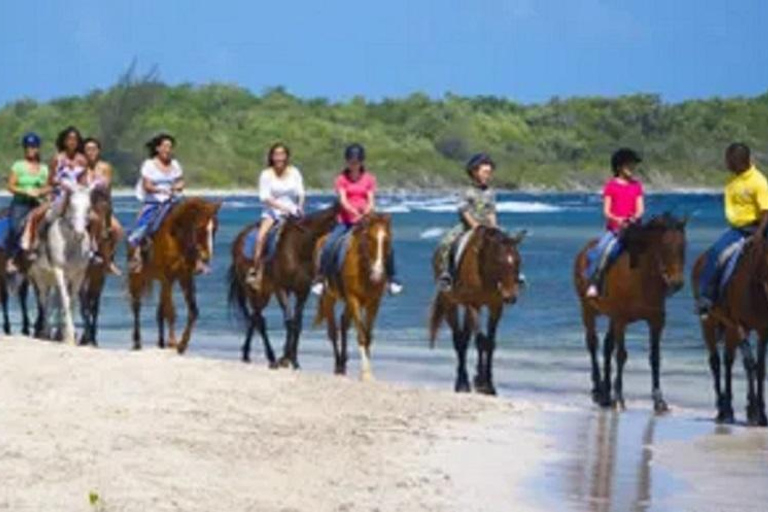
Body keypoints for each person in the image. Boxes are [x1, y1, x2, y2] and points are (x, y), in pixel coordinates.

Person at [312, 143, 402, 296]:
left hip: (366, 220)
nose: (354, 164)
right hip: (346, 221)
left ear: (361, 161)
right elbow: (343, 200)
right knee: (329, 244)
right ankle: (321, 278)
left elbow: (371, 199)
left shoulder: (369, 179)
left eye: (357, 161)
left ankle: (392, 278)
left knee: (385, 244)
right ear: (347, 161)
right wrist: (353, 212)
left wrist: (367, 211)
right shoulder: (341, 179)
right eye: (351, 161)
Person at [697, 143, 768, 317]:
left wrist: (759, 233)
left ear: (740, 161)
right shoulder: (731, 180)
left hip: (760, 227)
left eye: (729, 161)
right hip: (738, 230)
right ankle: (706, 298)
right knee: (715, 253)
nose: (727, 165)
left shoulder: (758, 182)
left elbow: (766, 210)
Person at [585, 148, 645, 298]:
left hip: (634, 228)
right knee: (601, 250)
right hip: (616, 230)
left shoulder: (636, 186)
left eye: (633, 165)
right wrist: (619, 220)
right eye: (628, 165)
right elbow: (606, 211)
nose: (632, 168)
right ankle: (594, 282)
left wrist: (633, 218)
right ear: (619, 167)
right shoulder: (611, 186)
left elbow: (640, 209)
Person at [20, 126, 87, 259]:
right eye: (69, 139)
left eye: (75, 139)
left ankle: (93, 249)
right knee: (36, 214)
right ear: (64, 141)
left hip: (77, 196)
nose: (72, 142)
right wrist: (61, 184)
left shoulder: (82, 160)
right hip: (58, 195)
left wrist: (78, 188)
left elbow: (83, 182)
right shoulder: (57, 158)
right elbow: (50, 181)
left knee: (93, 218)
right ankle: (32, 243)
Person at [436, 153, 499, 291]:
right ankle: (448, 273)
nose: (487, 175)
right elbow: (464, 211)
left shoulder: (490, 192)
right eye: (485, 172)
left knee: (507, 243)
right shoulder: (466, 191)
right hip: (468, 227)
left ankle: (513, 275)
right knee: (447, 242)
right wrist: (475, 226)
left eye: (489, 172)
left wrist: (494, 227)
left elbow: (491, 211)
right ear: (474, 172)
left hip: (487, 227)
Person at [247, 143, 305, 289]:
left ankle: (315, 274)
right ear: (271, 157)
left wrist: (300, 207)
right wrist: (282, 208)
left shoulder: (294, 172)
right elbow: (265, 197)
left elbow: (301, 192)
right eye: (276, 154)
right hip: (272, 213)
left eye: (282, 154)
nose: (279, 157)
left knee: (311, 236)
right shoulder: (266, 174)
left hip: (293, 212)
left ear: (287, 156)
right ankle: (256, 271)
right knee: (261, 237)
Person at [127, 133, 185, 273]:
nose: (168, 149)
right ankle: (137, 255)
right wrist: (161, 190)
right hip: (155, 203)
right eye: (165, 146)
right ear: (158, 148)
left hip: (172, 201)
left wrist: (177, 187)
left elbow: (181, 181)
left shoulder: (175, 164)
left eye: (170, 147)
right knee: (144, 226)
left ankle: (196, 258)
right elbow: (147, 185)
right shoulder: (149, 165)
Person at [5, 133, 51, 273]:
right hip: (21, 204)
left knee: (53, 224)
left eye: (33, 147)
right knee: (15, 227)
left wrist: (41, 191)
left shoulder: (44, 168)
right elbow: (11, 186)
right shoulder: (18, 166)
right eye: (28, 147)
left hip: (38, 203)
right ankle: (13, 257)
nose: (31, 149)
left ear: (38, 148)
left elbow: (49, 185)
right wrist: (26, 191)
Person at [83, 137, 123, 274]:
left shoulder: (105, 167)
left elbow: (107, 189)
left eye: (94, 149)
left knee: (117, 229)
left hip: (101, 205)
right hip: (84, 206)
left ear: (98, 151)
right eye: (88, 149)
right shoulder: (80, 167)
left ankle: (109, 259)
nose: (91, 152)